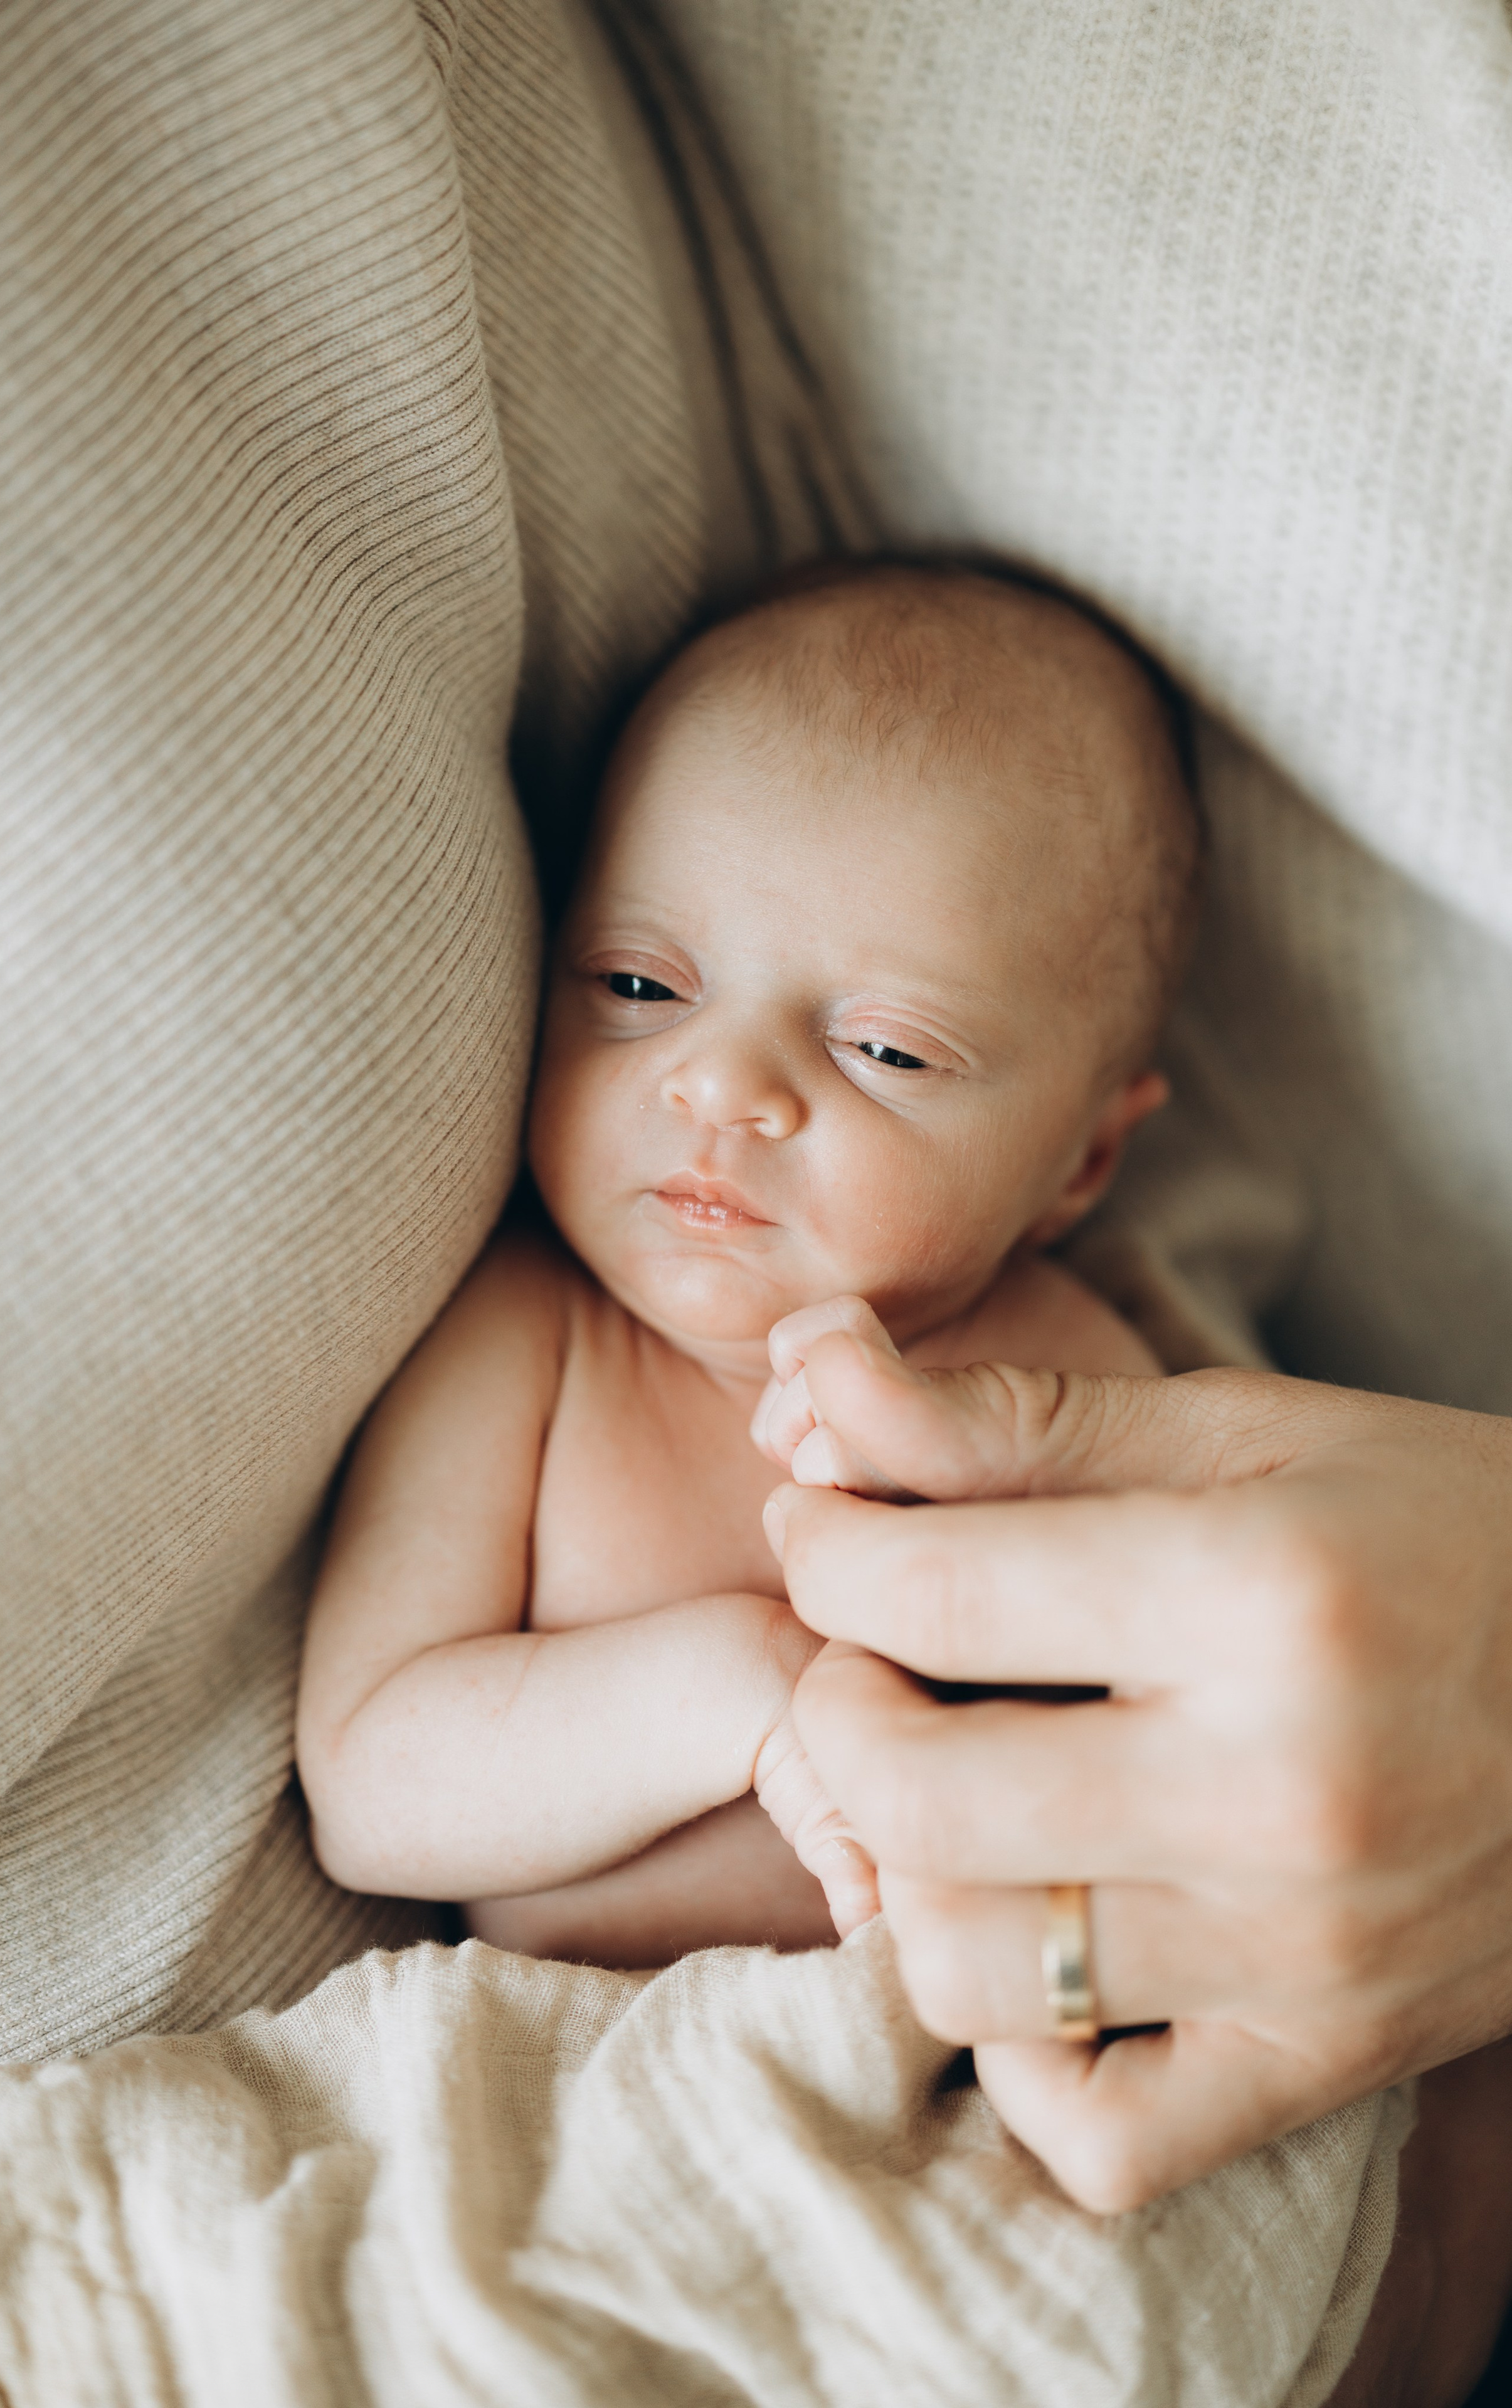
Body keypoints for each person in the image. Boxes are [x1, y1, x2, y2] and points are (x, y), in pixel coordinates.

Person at [295, 558, 1197, 1967]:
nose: (719, 1086)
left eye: (884, 1049)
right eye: (639, 986)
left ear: (1080, 1162)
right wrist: (744, 1689)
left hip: (1007, 2025)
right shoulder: (530, 1345)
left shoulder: (1086, 1387)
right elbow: (367, 1791)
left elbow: (1219, 1750)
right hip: (606, 2052)